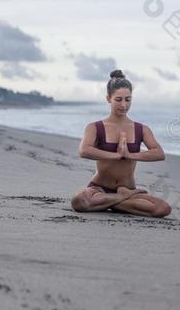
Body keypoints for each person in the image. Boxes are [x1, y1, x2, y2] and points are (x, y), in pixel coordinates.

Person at [70, 69, 172, 218]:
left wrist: (129, 155)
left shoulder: (141, 129)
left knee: (162, 208)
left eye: (128, 99)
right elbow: (84, 151)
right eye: (118, 99)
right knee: (79, 201)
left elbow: (159, 153)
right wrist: (116, 155)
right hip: (99, 189)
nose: (123, 105)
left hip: (128, 188)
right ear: (108, 98)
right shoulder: (95, 127)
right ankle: (121, 201)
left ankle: (108, 203)